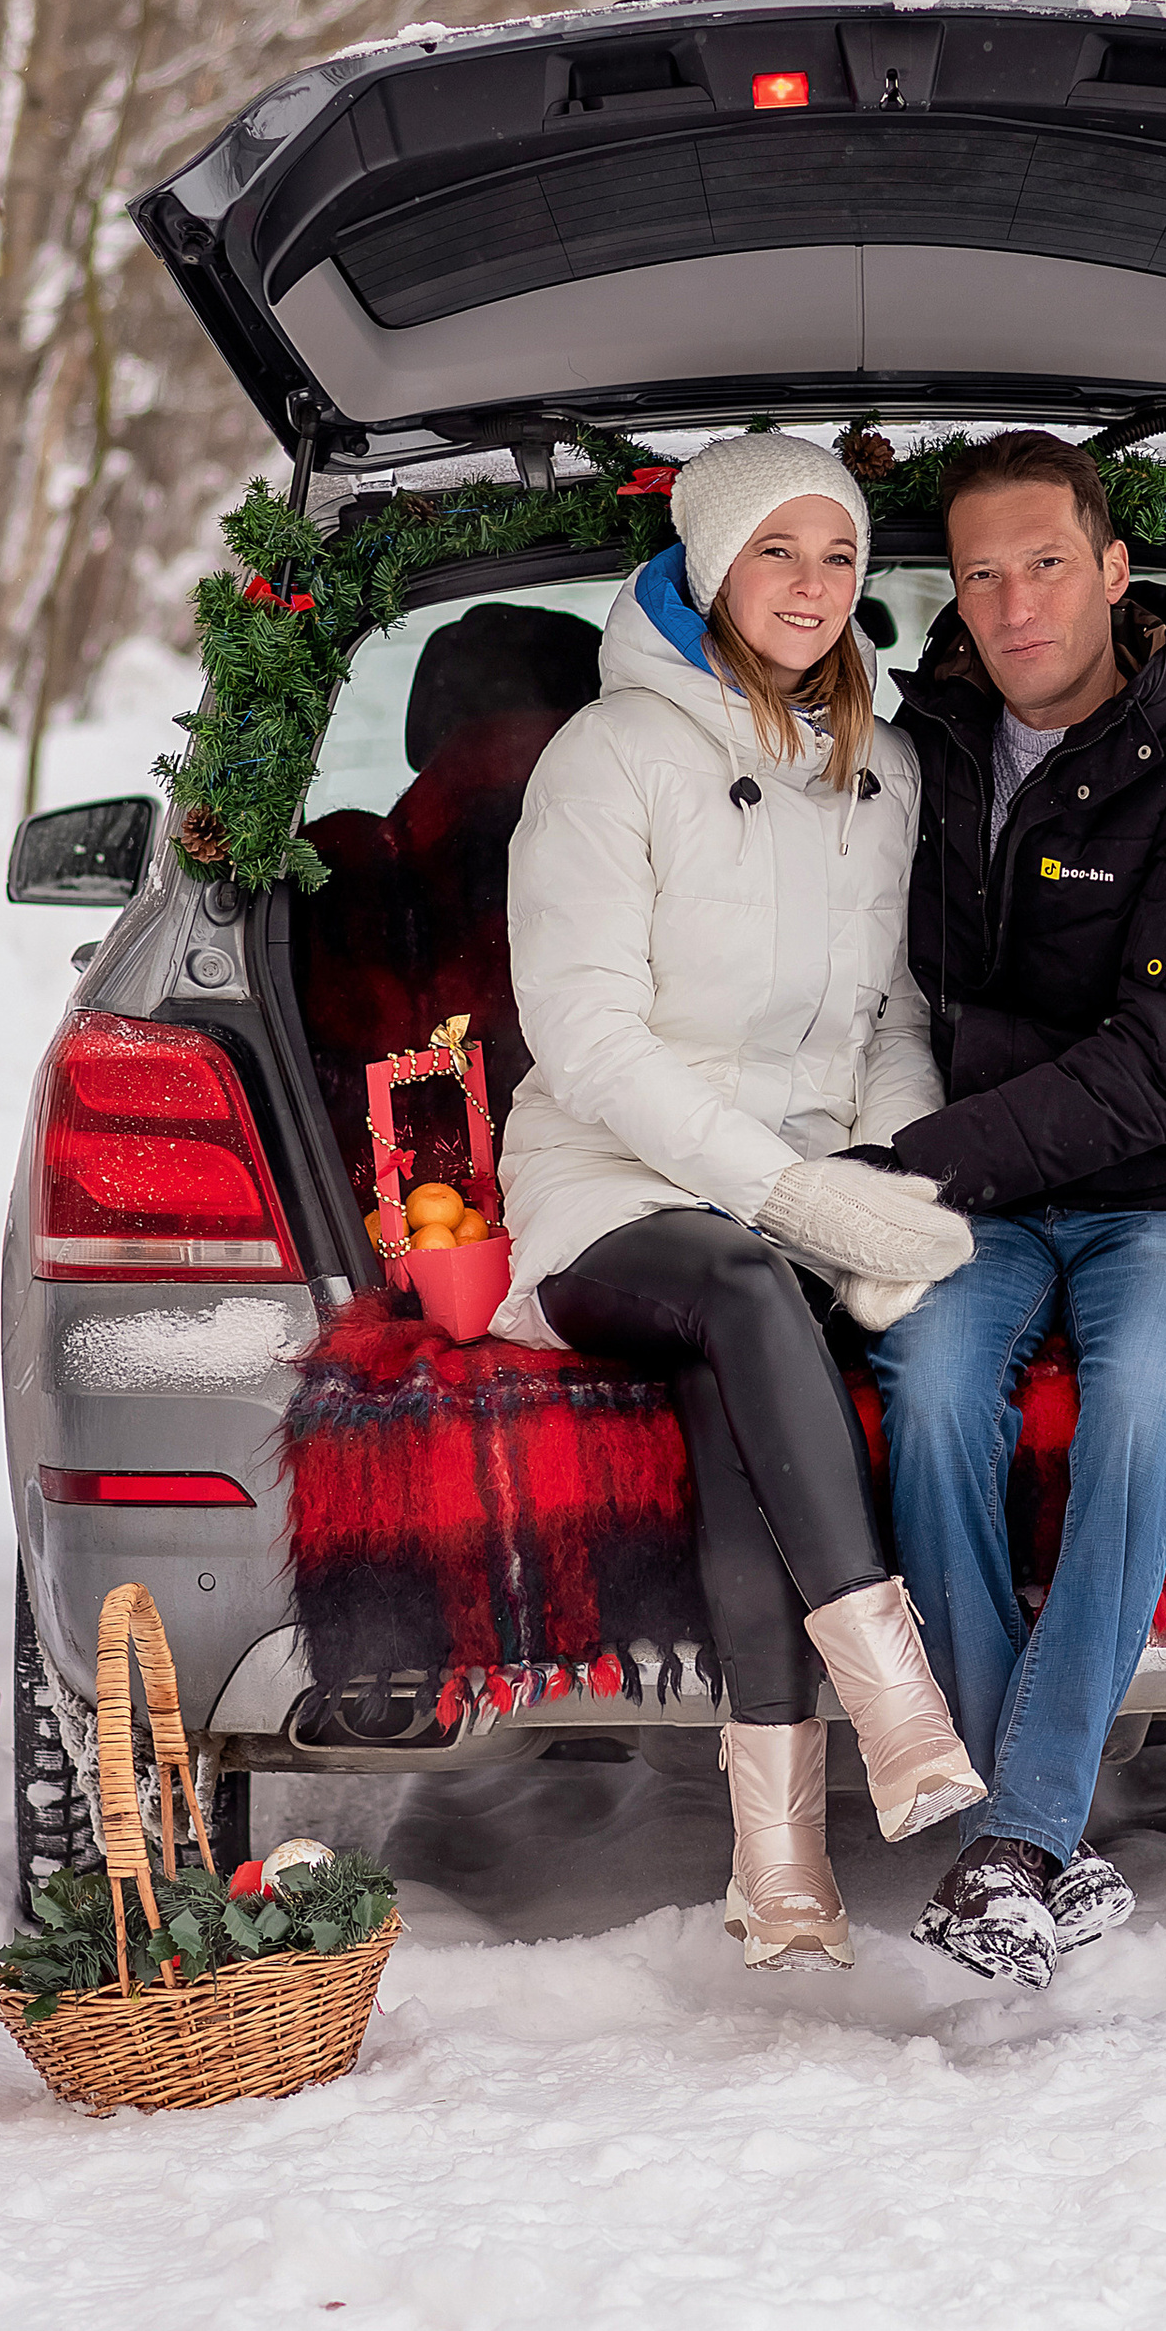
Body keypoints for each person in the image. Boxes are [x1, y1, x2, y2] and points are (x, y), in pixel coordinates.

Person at [496, 431, 985, 1968]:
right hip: (608, 1190)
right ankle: (898, 1706)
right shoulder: (609, 757)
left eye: (839, 556)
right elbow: (583, 1039)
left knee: (739, 1363)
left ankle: (779, 1858)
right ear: (711, 567)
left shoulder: (883, 769)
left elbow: (895, 1019)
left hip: (791, 1204)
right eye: (777, 551)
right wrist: (792, 1194)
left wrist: (886, 1179)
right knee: (744, 1284)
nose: (812, 585)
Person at [868, 432, 1166, 1987]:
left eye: (1045, 562)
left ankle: (1014, 1829)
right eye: (979, 573)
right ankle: (1024, 1838)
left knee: (1132, 1413)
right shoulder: (917, 739)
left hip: (1159, 1202)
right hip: (984, 1203)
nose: (1012, 602)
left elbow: (1163, 1067)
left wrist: (913, 1165)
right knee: (924, 1393)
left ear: (1116, 572)